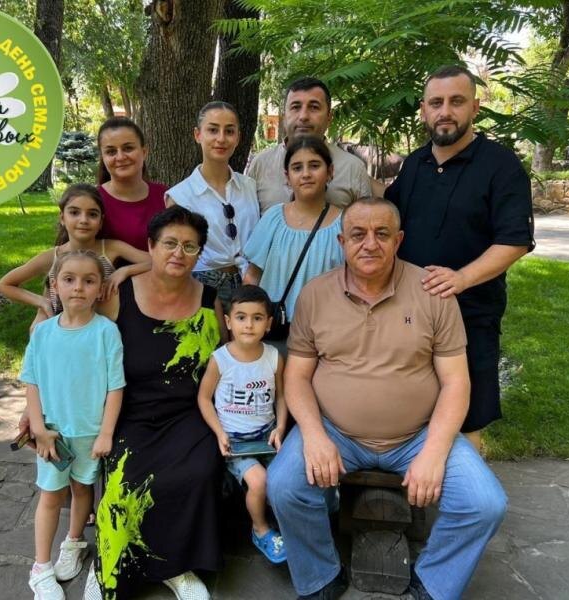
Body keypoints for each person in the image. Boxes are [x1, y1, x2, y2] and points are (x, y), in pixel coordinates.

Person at [267, 197, 507, 600]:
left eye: (382, 234)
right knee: (284, 487)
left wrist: (434, 452)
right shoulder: (314, 295)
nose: (370, 244)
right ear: (342, 242)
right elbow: (297, 376)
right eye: (358, 234)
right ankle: (320, 577)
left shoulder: (433, 293)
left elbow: (455, 382)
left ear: (399, 240)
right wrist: (314, 435)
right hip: (335, 431)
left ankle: (434, 582)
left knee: (485, 504)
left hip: (417, 435)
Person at [385, 65, 534, 450]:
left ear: (475, 107)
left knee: (467, 418)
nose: (445, 111)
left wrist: (462, 278)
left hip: (471, 313)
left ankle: (466, 486)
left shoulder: (501, 165)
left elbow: (516, 240)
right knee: (412, 410)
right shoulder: (414, 164)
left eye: (456, 101)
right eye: (436, 103)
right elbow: (387, 216)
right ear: (423, 110)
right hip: (411, 314)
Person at [83, 205, 226, 600]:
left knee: (197, 471)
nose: (179, 253)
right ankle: (109, 561)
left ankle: (176, 566)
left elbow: (226, 361)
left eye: (190, 246)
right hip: (129, 411)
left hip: (190, 413)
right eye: (169, 244)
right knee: (126, 481)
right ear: (150, 246)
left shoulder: (209, 300)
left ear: (199, 254)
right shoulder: (119, 294)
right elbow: (82, 347)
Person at [20, 250, 124, 600]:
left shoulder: (107, 332)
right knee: (51, 496)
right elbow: (31, 381)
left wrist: (106, 432)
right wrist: (38, 428)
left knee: (83, 490)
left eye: (88, 280)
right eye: (69, 279)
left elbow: (115, 387)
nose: (78, 287)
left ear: (100, 288)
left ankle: (75, 541)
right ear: (55, 285)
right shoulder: (43, 333)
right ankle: (40, 568)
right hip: (54, 436)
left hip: (91, 434)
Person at [197, 284, 288, 564]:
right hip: (235, 442)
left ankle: (291, 526)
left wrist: (280, 427)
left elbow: (281, 396)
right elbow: (204, 398)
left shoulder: (273, 356)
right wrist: (219, 433)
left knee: (287, 477)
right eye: (241, 317)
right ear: (228, 321)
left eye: (257, 318)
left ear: (268, 323)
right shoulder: (221, 359)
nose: (249, 325)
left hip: (267, 436)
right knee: (258, 481)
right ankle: (260, 530)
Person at [0, 184, 151, 329]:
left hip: (102, 333)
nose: (83, 220)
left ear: (101, 222)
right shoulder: (52, 257)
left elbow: (156, 262)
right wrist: (42, 302)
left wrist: (125, 271)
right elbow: (4, 284)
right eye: (74, 212)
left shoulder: (111, 248)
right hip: (63, 334)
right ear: (62, 218)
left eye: (92, 214)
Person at [243, 136, 344, 341]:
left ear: (330, 172)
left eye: (314, 166)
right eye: (297, 168)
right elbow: (252, 277)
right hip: (273, 332)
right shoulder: (274, 218)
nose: (306, 174)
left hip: (323, 336)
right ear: (287, 177)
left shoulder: (345, 224)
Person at [166, 101, 260, 310]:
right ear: (198, 134)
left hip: (251, 283)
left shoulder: (250, 186)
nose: (221, 138)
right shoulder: (180, 196)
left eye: (229, 131)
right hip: (203, 286)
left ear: (238, 138)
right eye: (213, 130)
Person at [246, 76, 372, 213]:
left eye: (314, 107)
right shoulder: (261, 164)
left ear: (329, 117)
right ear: (284, 116)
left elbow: (366, 222)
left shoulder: (352, 168)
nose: (303, 116)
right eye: (295, 107)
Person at [96, 117, 168, 252]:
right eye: (111, 151)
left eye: (128, 148)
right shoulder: (92, 200)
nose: (120, 157)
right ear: (103, 157)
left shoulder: (166, 197)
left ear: (144, 152)